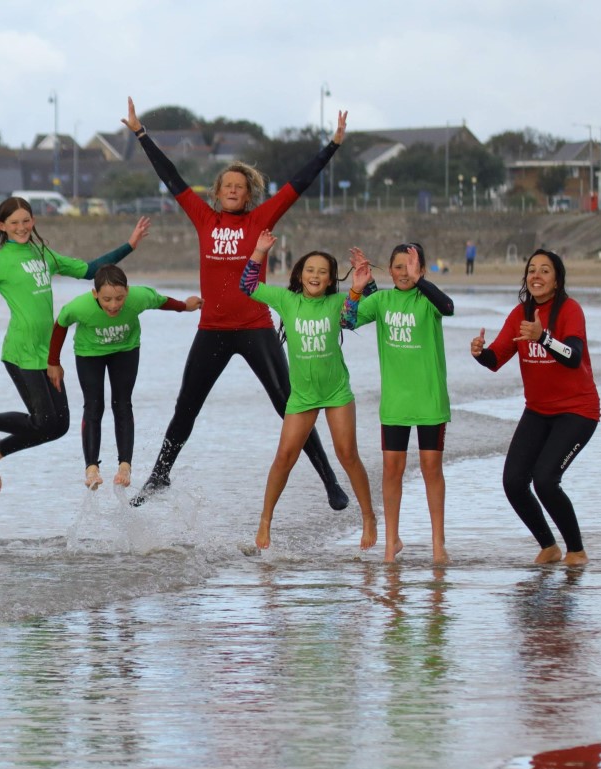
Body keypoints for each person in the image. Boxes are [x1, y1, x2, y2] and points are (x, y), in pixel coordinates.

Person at [121, 97, 350, 510]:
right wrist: (141, 134)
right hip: (212, 328)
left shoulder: (260, 220)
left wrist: (332, 145)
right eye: (227, 186)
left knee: (289, 405)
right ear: (217, 192)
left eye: (239, 187)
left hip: (255, 328)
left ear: (248, 194)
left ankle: (330, 480)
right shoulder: (203, 218)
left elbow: (300, 183)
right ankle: (160, 475)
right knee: (185, 406)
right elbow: (171, 177)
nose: (232, 191)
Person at [0, 196, 151, 490]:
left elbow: (89, 270)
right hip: (20, 351)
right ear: (2, 226)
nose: (21, 227)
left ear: (33, 221)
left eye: (26, 221)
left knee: (58, 425)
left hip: (47, 352)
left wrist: (130, 245)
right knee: (44, 419)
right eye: (14, 223)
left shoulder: (42, 253)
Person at [239, 230, 376, 551]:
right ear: (300, 275)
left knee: (347, 454)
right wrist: (259, 252)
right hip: (302, 397)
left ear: (330, 281)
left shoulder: (338, 302)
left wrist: (362, 284)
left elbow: (366, 310)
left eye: (323, 272)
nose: (315, 275)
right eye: (310, 270)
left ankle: (369, 517)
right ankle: (265, 521)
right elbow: (247, 286)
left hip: (336, 392)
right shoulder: (287, 300)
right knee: (284, 457)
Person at [471, 249, 598, 566]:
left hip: (578, 411)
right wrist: (479, 353)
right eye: (531, 270)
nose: (536, 276)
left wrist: (544, 337)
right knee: (513, 482)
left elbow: (573, 356)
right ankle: (549, 546)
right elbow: (496, 359)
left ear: (556, 281)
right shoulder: (520, 315)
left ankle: (576, 551)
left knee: (545, 480)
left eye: (545, 271)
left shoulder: (570, 310)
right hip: (539, 411)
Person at [342, 243, 454, 563]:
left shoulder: (428, 299)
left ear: (422, 269)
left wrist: (421, 282)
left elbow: (447, 307)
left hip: (430, 399)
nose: (404, 272)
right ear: (389, 270)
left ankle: (438, 543)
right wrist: (356, 290)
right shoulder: (381, 300)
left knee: (432, 469)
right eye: (398, 266)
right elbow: (346, 322)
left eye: (411, 266)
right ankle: (391, 543)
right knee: (393, 470)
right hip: (395, 402)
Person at [48, 264, 200, 490]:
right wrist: (53, 363)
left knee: (122, 404)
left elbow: (161, 301)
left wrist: (185, 306)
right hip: (90, 353)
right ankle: (91, 469)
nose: (114, 305)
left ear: (127, 292)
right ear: (95, 294)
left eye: (119, 298)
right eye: (107, 299)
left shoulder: (138, 297)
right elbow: (60, 324)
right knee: (93, 406)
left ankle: (125, 466)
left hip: (125, 350)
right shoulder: (79, 307)